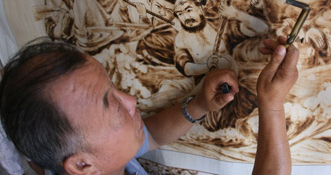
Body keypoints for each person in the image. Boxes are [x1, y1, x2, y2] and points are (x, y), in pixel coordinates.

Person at [0, 36, 298, 175]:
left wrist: (199, 105)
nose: (130, 100)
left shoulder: (96, 161)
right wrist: (271, 104)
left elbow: (150, 135)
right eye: (112, 105)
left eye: (114, 89)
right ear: (82, 165)